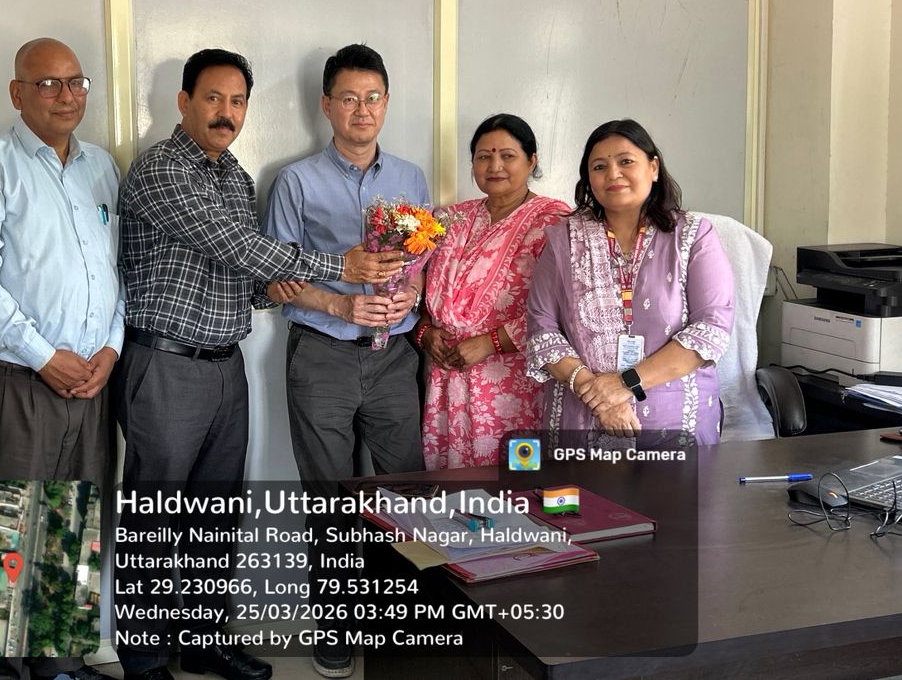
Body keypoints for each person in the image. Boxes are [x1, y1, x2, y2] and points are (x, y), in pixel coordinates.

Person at [113, 48, 405, 680]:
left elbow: (248, 277)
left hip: (225, 363)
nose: (226, 113)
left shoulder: (236, 177)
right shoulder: (162, 168)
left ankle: (204, 640)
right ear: (184, 102)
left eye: (238, 101)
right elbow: (237, 244)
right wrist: (338, 268)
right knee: (155, 518)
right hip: (164, 363)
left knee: (215, 516)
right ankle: (145, 659)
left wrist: (278, 288)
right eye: (213, 99)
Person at [0, 38, 120, 679]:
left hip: (89, 381)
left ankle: (60, 668)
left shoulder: (100, 168)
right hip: (13, 378)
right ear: (17, 94)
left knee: (71, 530)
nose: (66, 96)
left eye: (76, 82)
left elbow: (112, 271)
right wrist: (45, 357)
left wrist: (110, 348)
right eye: (48, 84)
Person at [260, 43, 428, 679]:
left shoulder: (410, 178)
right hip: (322, 357)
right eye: (349, 98)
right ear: (326, 105)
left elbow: (421, 259)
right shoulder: (296, 181)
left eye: (373, 97)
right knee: (330, 498)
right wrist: (340, 303)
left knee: (407, 490)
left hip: (395, 358)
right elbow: (276, 277)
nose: (363, 109)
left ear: (387, 104)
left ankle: (404, 624)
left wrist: (412, 294)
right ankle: (336, 628)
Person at [524, 119, 735, 445]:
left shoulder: (693, 236)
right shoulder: (564, 240)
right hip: (582, 419)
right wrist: (597, 393)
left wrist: (624, 383)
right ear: (588, 179)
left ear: (653, 168)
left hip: (675, 424)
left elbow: (711, 328)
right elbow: (542, 327)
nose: (613, 174)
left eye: (626, 161)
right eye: (599, 166)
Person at [417, 114, 569, 469]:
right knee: (452, 486)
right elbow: (420, 291)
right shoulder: (449, 219)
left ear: (531, 160)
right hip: (447, 377)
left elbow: (562, 308)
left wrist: (489, 343)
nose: (494, 166)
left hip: (514, 381)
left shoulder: (554, 221)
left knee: (515, 480)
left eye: (507, 156)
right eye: (483, 156)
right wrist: (425, 334)